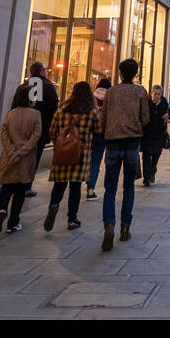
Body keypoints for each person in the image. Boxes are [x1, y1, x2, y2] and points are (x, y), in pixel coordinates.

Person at [100, 58, 149, 250]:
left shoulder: (111, 92)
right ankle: (125, 227)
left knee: (110, 188)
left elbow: (102, 118)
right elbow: (145, 118)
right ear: (135, 73)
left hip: (112, 143)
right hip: (131, 144)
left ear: (120, 73)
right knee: (128, 186)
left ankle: (109, 223)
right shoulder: (140, 91)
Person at [44, 81, 102, 232]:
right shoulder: (92, 111)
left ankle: (54, 205)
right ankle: (72, 219)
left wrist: (60, 142)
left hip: (62, 154)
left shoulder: (62, 109)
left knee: (59, 185)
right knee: (75, 187)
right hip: (80, 154)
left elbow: (52, 132)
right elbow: (98, 130)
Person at [0, 84, 41, 234]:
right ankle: (13, 222)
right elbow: (35, 137)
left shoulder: (10, 114)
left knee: (6, 187)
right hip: (24, 159)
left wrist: (11, 151)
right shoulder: (35, 115)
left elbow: (3, 134)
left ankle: (1, 210)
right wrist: (21, 152)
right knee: (20, 190)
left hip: (10, 157)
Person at [23, 62, 58, 197]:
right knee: (35, 156)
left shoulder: (25, 84)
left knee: (24, 154)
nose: (46, 71)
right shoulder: (48, 86)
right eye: (45, 69)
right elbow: (53, 107)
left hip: (24, 127)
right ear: (41, 71)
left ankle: (18, 183)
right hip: (40, 127)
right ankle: (27, 185)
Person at [142, 84, 170, 186]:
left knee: (155, 156)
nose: (157, 96)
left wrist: (168, 114)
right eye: (155, 94)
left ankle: (152, 172)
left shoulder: (164, 103)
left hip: (159, 134)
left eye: (159, 94)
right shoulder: (147, 103)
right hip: (147, 134)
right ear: (151, 94)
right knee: (146, 157)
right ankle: (146, 178)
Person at [86, 75, 110, 200]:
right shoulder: (109, 99)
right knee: (96, 161)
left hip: (88, 133)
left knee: (86, 160)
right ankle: (90, 190)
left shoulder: (91, 98)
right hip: (102, 134)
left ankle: (84, 181)